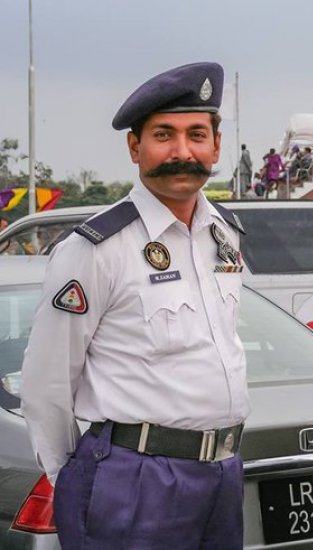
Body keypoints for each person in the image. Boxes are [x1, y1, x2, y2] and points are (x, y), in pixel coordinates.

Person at [21, 62, 249, 549]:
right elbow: (46, 381)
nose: (182, 151)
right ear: (134, 147)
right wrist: (76, 479)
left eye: (196, 134)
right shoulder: (97, 248)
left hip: (222, 475)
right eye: (164, 135)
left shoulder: (224, 234)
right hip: (134, 480)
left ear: (216, 145)